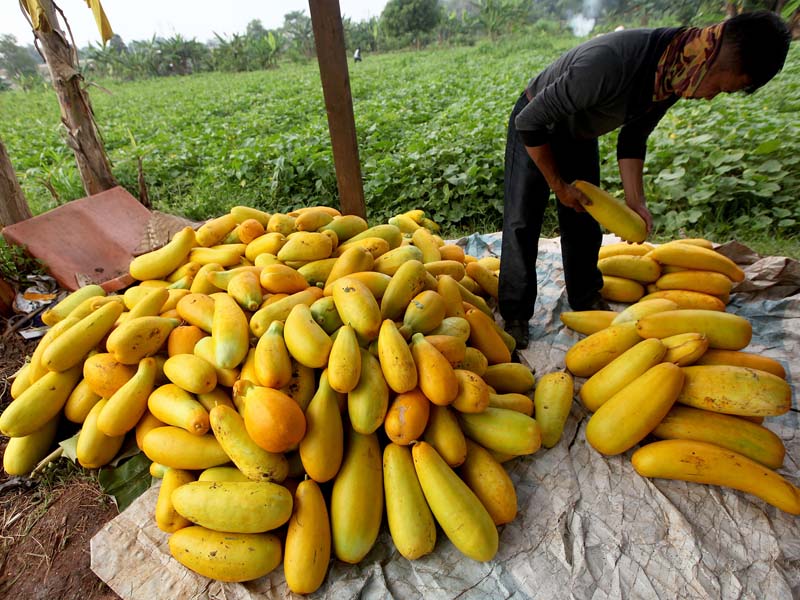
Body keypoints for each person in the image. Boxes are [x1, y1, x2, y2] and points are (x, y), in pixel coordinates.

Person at [499, 11, 791, 349]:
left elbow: (634, 138)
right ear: (719, 62)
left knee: (583, 220)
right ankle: (516, 313)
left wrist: (635, 201)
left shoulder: (675, 72)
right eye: (722, 86)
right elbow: (529, 121)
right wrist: (558, 185)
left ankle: (584, 296)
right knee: (523, 221)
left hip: (578, 133)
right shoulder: (610, 63)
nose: (712, 96)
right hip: (536, 124)